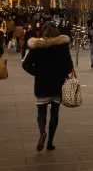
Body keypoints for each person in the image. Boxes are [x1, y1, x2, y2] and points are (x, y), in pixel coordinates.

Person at [21, 22, 73, 152]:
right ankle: (50, 142)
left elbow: (25, 64)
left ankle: (42, 132)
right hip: (58, 84)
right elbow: (68, 66)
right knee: (55, 112)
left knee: (41, 112)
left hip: (42, 83)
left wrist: (37, 72)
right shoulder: (62, 47)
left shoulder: (37, 47)